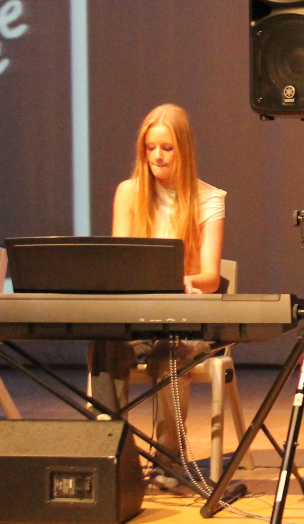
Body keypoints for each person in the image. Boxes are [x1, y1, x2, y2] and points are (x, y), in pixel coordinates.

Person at [88, 104, 226, 471]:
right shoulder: (129, 193)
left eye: (166, 148)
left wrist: (184, 281)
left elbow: (211, 277)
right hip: (138, 316)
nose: (157, 157)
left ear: (184, 150)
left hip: (185, 319)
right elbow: (120, 263)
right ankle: (112, 455)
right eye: (150, 148)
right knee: (105, 340)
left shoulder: (209, 199)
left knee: (169, 351)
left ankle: (168, 462)